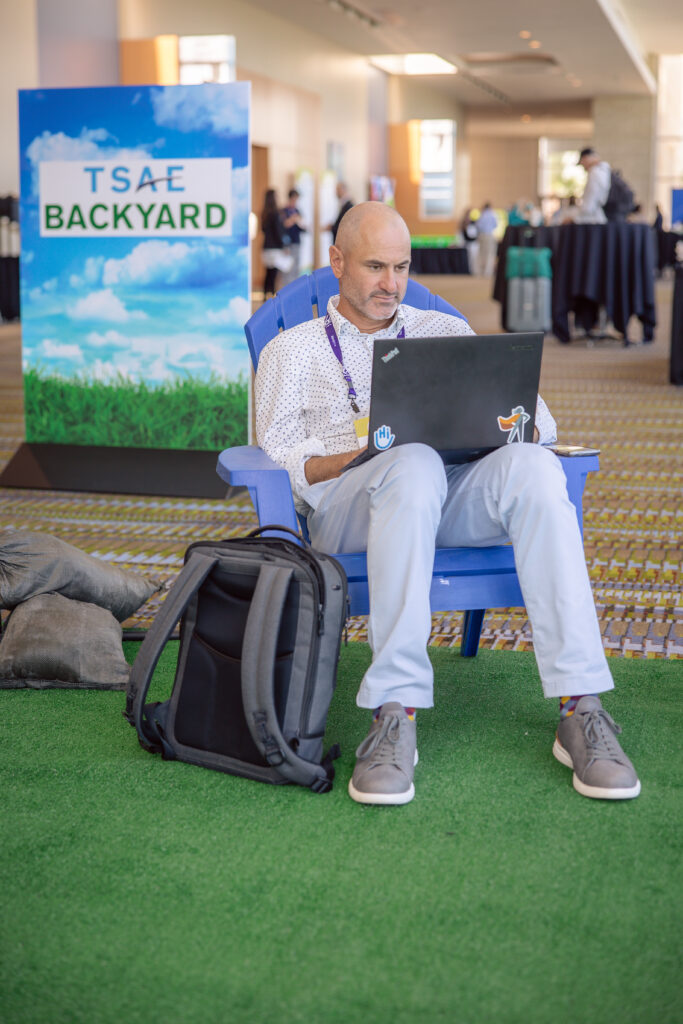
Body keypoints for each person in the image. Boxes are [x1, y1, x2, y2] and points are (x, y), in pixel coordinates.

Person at [255, 201, 640, 807]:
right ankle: (395, 710)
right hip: (346, 513)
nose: (391, 284)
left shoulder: (442, 331)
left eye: (402, 267)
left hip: (447, 497)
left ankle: (581, 707)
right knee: (409, 462)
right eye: (375, 267)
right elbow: (280, 459)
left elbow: (541, 423)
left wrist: (496, 425)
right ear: (337, 262)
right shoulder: (292, 350)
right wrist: (368, 452)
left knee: (535, 468)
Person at [260, 188, 292, 300]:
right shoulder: (276, 214)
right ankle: (273, 299)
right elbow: (278, 232)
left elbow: (263, 230)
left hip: (266, 248)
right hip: (275, 249)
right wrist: (284, 246)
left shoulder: (264, 214)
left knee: (268, 274)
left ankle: (265, 296)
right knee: (274, 275)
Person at [567, 148, 611, 224]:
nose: (583, 167)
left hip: (593, 221)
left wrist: (573, 219)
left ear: (586, 158)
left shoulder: (594, 173)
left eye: (582, 163)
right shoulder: (604, 171)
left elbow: (589, 205)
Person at [280, 188, 306, 285]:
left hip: (296, 241)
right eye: (294, 199)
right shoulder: (284, 211)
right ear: (291, 198)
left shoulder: (297, 211)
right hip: (287, 243)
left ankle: (295, 288)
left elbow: (302, 225)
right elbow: (283, 225)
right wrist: (293, 219)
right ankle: (287, 289)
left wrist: (300, 222)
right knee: (287, 268)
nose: (296, 201)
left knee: (296, 267)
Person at [474, 202, 498, 276]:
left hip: (481, 235)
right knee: (489, 254)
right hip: (489, 235)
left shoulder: (482, 214)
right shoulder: (492, 214)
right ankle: (487, 272)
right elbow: (495, 225)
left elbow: (477, 225)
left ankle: (479, 271)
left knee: (481, 253)